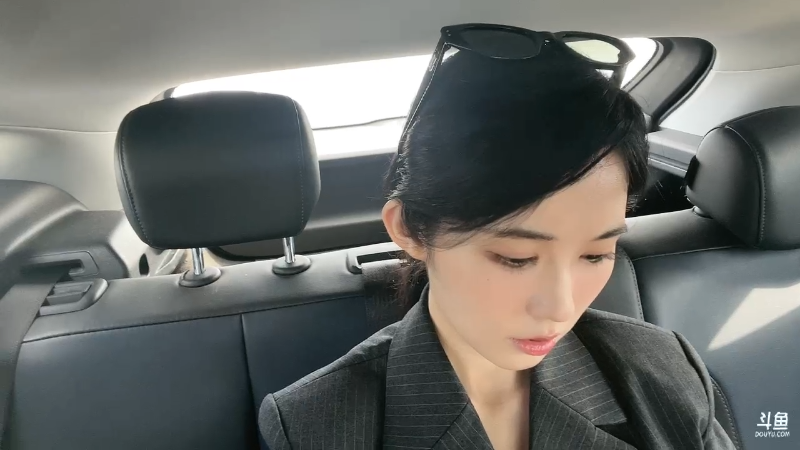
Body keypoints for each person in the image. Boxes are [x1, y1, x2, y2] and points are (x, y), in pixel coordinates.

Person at [259, 24, 736, 449]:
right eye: (516, 258)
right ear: (409, 229)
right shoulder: (317, 423)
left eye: (596, 254)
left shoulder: (661, 369)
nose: (560, 308)